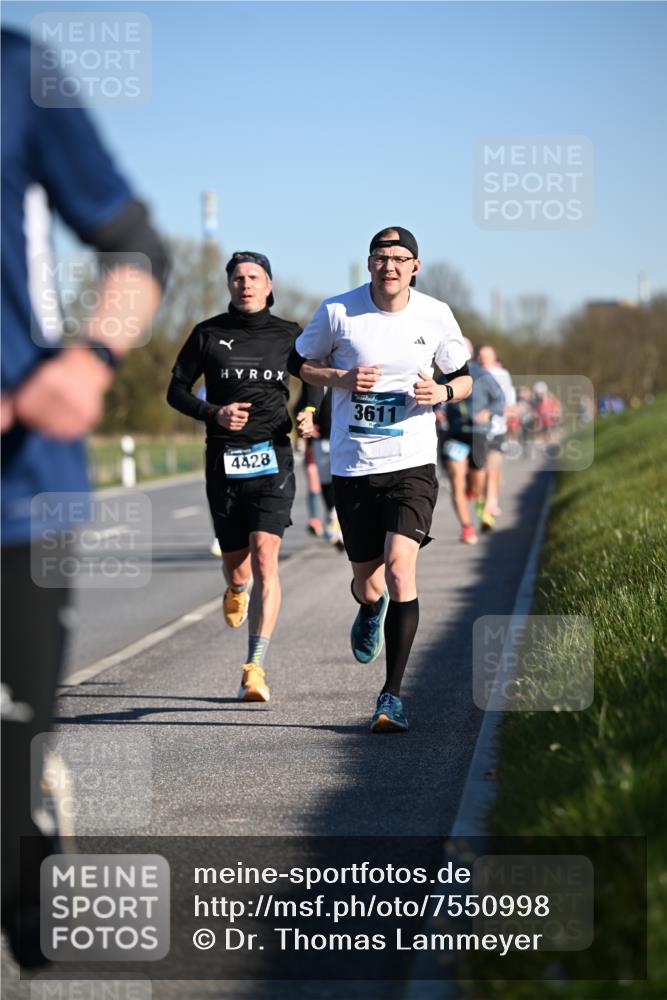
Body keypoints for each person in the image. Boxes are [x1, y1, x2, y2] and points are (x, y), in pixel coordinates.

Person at [1, 28, 168, 966]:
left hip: (16, 492)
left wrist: (91, 356)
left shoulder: (15, 72)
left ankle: (26, 839)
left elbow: (135, 242)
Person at [289, 227, 472, 732]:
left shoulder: (436, 315)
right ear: (368, 264)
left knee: (399, 569)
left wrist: (444, 394)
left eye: (399, 257)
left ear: (416, 265)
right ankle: (369, 608)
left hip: (412, 462)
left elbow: (464, 376)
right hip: (353, 465)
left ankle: (391, 696)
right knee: (370, 584)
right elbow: (298, 362)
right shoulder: (337, 312)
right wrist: (340, 379)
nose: (388, 265)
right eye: (379, 256)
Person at [167, 251, 317, 703]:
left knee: (265, 554)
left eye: (254, 277)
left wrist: (308, 411)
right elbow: (176, 390)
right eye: (237, 278)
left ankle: (255, 666)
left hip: (274, 455)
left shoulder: (290, 335)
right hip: (224, 459)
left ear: (269, 285)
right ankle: (236, 587)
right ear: (229, 286)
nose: (245, 284)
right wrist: (214, 412)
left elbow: (312, 379)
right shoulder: (208, 333)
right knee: (239, 567)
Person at [440, 340, 505, 543]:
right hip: (455, 434)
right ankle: (467, 527)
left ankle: (474, 493)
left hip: (477, 434)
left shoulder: (484, 376)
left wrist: (488, 412)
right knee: (455, 480)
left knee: (477, 484)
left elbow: (500, 400)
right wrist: (437, 412)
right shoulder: (443, 376)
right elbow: (436, 400)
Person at [475, 345, 516, 521]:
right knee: (481, 471)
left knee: (492, 469)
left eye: (487, 356)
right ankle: (485, 499)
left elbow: (509, 403)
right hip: (476, 431)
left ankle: (490, 503)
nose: (484, 359)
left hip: (497, 429)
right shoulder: (472, 375)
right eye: (481, 356)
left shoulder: (502, 375)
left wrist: (491, 412)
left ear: (494, 358)